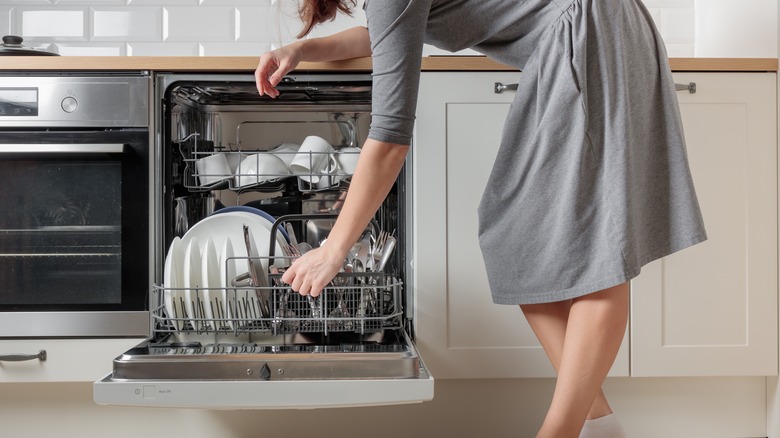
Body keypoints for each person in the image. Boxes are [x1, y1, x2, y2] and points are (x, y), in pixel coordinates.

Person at [255, 1, 707, 437]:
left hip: (586, 33)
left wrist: (334, 250)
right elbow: (389, 34)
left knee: (594, 252)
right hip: (583, 33)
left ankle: (561, 432)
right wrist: (303, 49)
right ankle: (599, 425)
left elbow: (391, 137)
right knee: (518, 243)